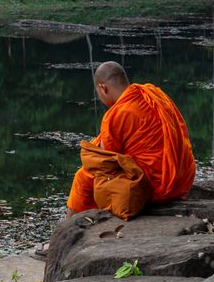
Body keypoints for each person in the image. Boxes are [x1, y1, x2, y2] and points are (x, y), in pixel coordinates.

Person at [65, 61, 195, 221]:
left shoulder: (116, 114)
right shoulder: (153, 93)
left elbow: (104, 160)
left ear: (103, 88)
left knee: (84, 176)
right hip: (183, 180)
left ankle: (67, 226)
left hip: (156, 187)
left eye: (98, 93)